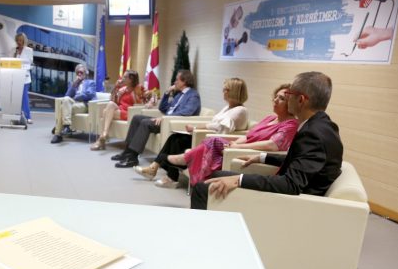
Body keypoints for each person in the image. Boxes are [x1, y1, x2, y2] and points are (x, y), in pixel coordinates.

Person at [191, 71, 343, 210]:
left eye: (289, 93)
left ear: (301, 100)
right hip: (289, 192)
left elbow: (290, 184)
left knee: (201, 189)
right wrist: (262, 157)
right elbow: (299, 159)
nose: (286, 97)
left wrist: (239, 180)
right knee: (217, 175)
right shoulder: (324, 126)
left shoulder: (313, 134)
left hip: (290, 205)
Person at [143, 84, 297, 188]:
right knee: (192, 139)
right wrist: (236, 143)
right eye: (276, 96)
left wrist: (238, 147)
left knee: (213, 140)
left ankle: (185, 159)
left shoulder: (291, 124)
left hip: (252, 153)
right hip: (240, 146)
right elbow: (248, 136)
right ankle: (185, 162)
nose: (276, 100)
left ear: (291, 103)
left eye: (281, 98)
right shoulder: (269, 118)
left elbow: (272, 145)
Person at [133, 76, 249, 184]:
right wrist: (197, 128)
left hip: (216, 143)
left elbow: (219, 127)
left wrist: (196, 128)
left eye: (226, 89)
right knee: (174, 137)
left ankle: (167, 176)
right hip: (209, 137)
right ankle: (155, 168)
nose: (223, 91)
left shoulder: (240, 110)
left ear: (234, 92)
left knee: (178, 141)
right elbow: (214, 123)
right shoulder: (228, 107)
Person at [111, 69, 201, 168]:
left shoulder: (193, 95)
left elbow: (187, 112)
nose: (175, 82)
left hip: (171, 122)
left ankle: (132, 158)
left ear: (184, 81)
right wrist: (167, 93)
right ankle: (127, 151)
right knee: (137, 118)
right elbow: (163, 108)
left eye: (177, 80)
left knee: (145, 123)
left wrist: (165, 118)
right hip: (166, 119)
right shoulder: (179, 94)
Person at [90, 70, 144, 150]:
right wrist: (116, 87)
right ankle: (104, 134)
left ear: (131, 79)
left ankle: (101, 139)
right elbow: (112, 100)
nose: (122, 78)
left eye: (125, 77)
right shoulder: (122, 89)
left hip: (130, 112)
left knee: (105, 112)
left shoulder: (139, 88)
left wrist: (150, 103)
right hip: (120, 110)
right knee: (110, 104)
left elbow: (151, 96)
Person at [51, 63, 96, 144]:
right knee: (66, 100)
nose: (79, 74)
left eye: (81, 72)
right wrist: (74, 84)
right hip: (73, 103)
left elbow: (89, 95)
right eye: (77, 72)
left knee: (62, 108)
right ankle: (66, 126)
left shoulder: (91, 82)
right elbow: (67, 95)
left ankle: (58, 133)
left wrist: (76, 97)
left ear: (85, 73)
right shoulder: (73, 83)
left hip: (84, 104)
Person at [14, 32, 34, 123]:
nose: (19, 42)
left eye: (21, 40)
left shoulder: (29, 50)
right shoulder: (14, 50)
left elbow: (30, 63)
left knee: (24, 97)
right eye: (18, 40)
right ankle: (18, 115)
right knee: (17, 97)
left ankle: (28, 116)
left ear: (24, 41)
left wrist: (22, 66)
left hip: (25, 77)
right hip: (15, 77)